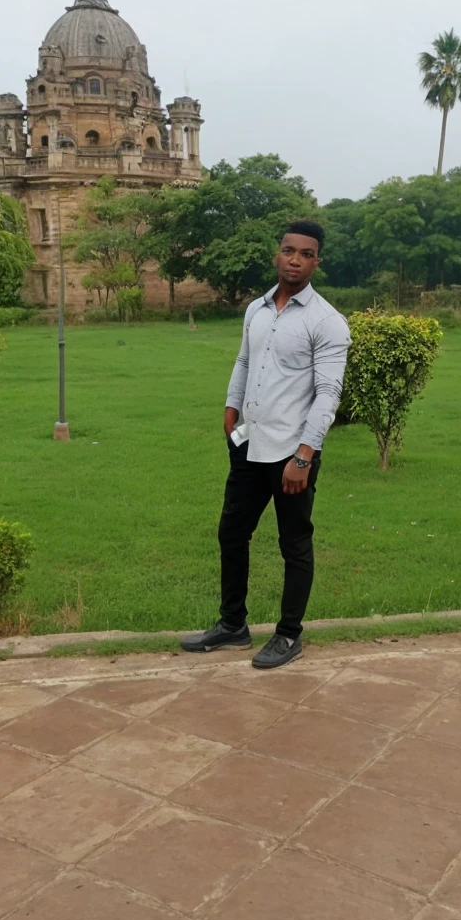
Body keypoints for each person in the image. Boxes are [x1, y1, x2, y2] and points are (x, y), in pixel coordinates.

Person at [181, 220, 350, 669]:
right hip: (249, 444)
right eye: (288, 250)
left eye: (306, 254)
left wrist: (305, 454)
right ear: (277, 254)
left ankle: (289, 635)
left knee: (294, 542)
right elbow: (244, 359)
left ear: (317, 262)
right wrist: (231, 407)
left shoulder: (326, 322)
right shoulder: (256, 309)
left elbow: (328, 393)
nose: (295, 259)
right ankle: (232, 624)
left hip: (292, 453)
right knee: (232, 533)